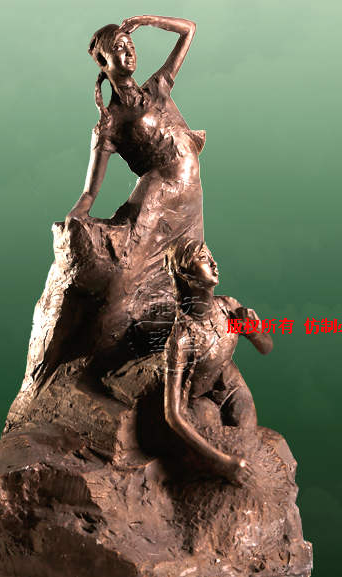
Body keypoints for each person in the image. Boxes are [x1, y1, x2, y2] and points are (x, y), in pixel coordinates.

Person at [68, 15, 205, 246]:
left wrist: (146, 20)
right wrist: (75, 216)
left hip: (191, 193)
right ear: (103, 59)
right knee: (126, 248)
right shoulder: (108, 127)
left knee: (193, 265)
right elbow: (89, 194)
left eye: (131, 46)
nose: (130, 53)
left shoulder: (157, 87)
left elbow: (189, 29)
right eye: (119, 47)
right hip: (158, 195)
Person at [163, 238, 273, 485]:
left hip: (231, 385)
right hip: (197, 398)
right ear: (185, 274)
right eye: (203, 258)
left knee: (247, 443)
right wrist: (222, 462)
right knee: (215, 450)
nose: (214, 263)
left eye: (211, 256)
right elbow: (173, 415)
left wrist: (255, 332)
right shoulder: (182, 338)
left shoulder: (228, 307)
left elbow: (266, 348)